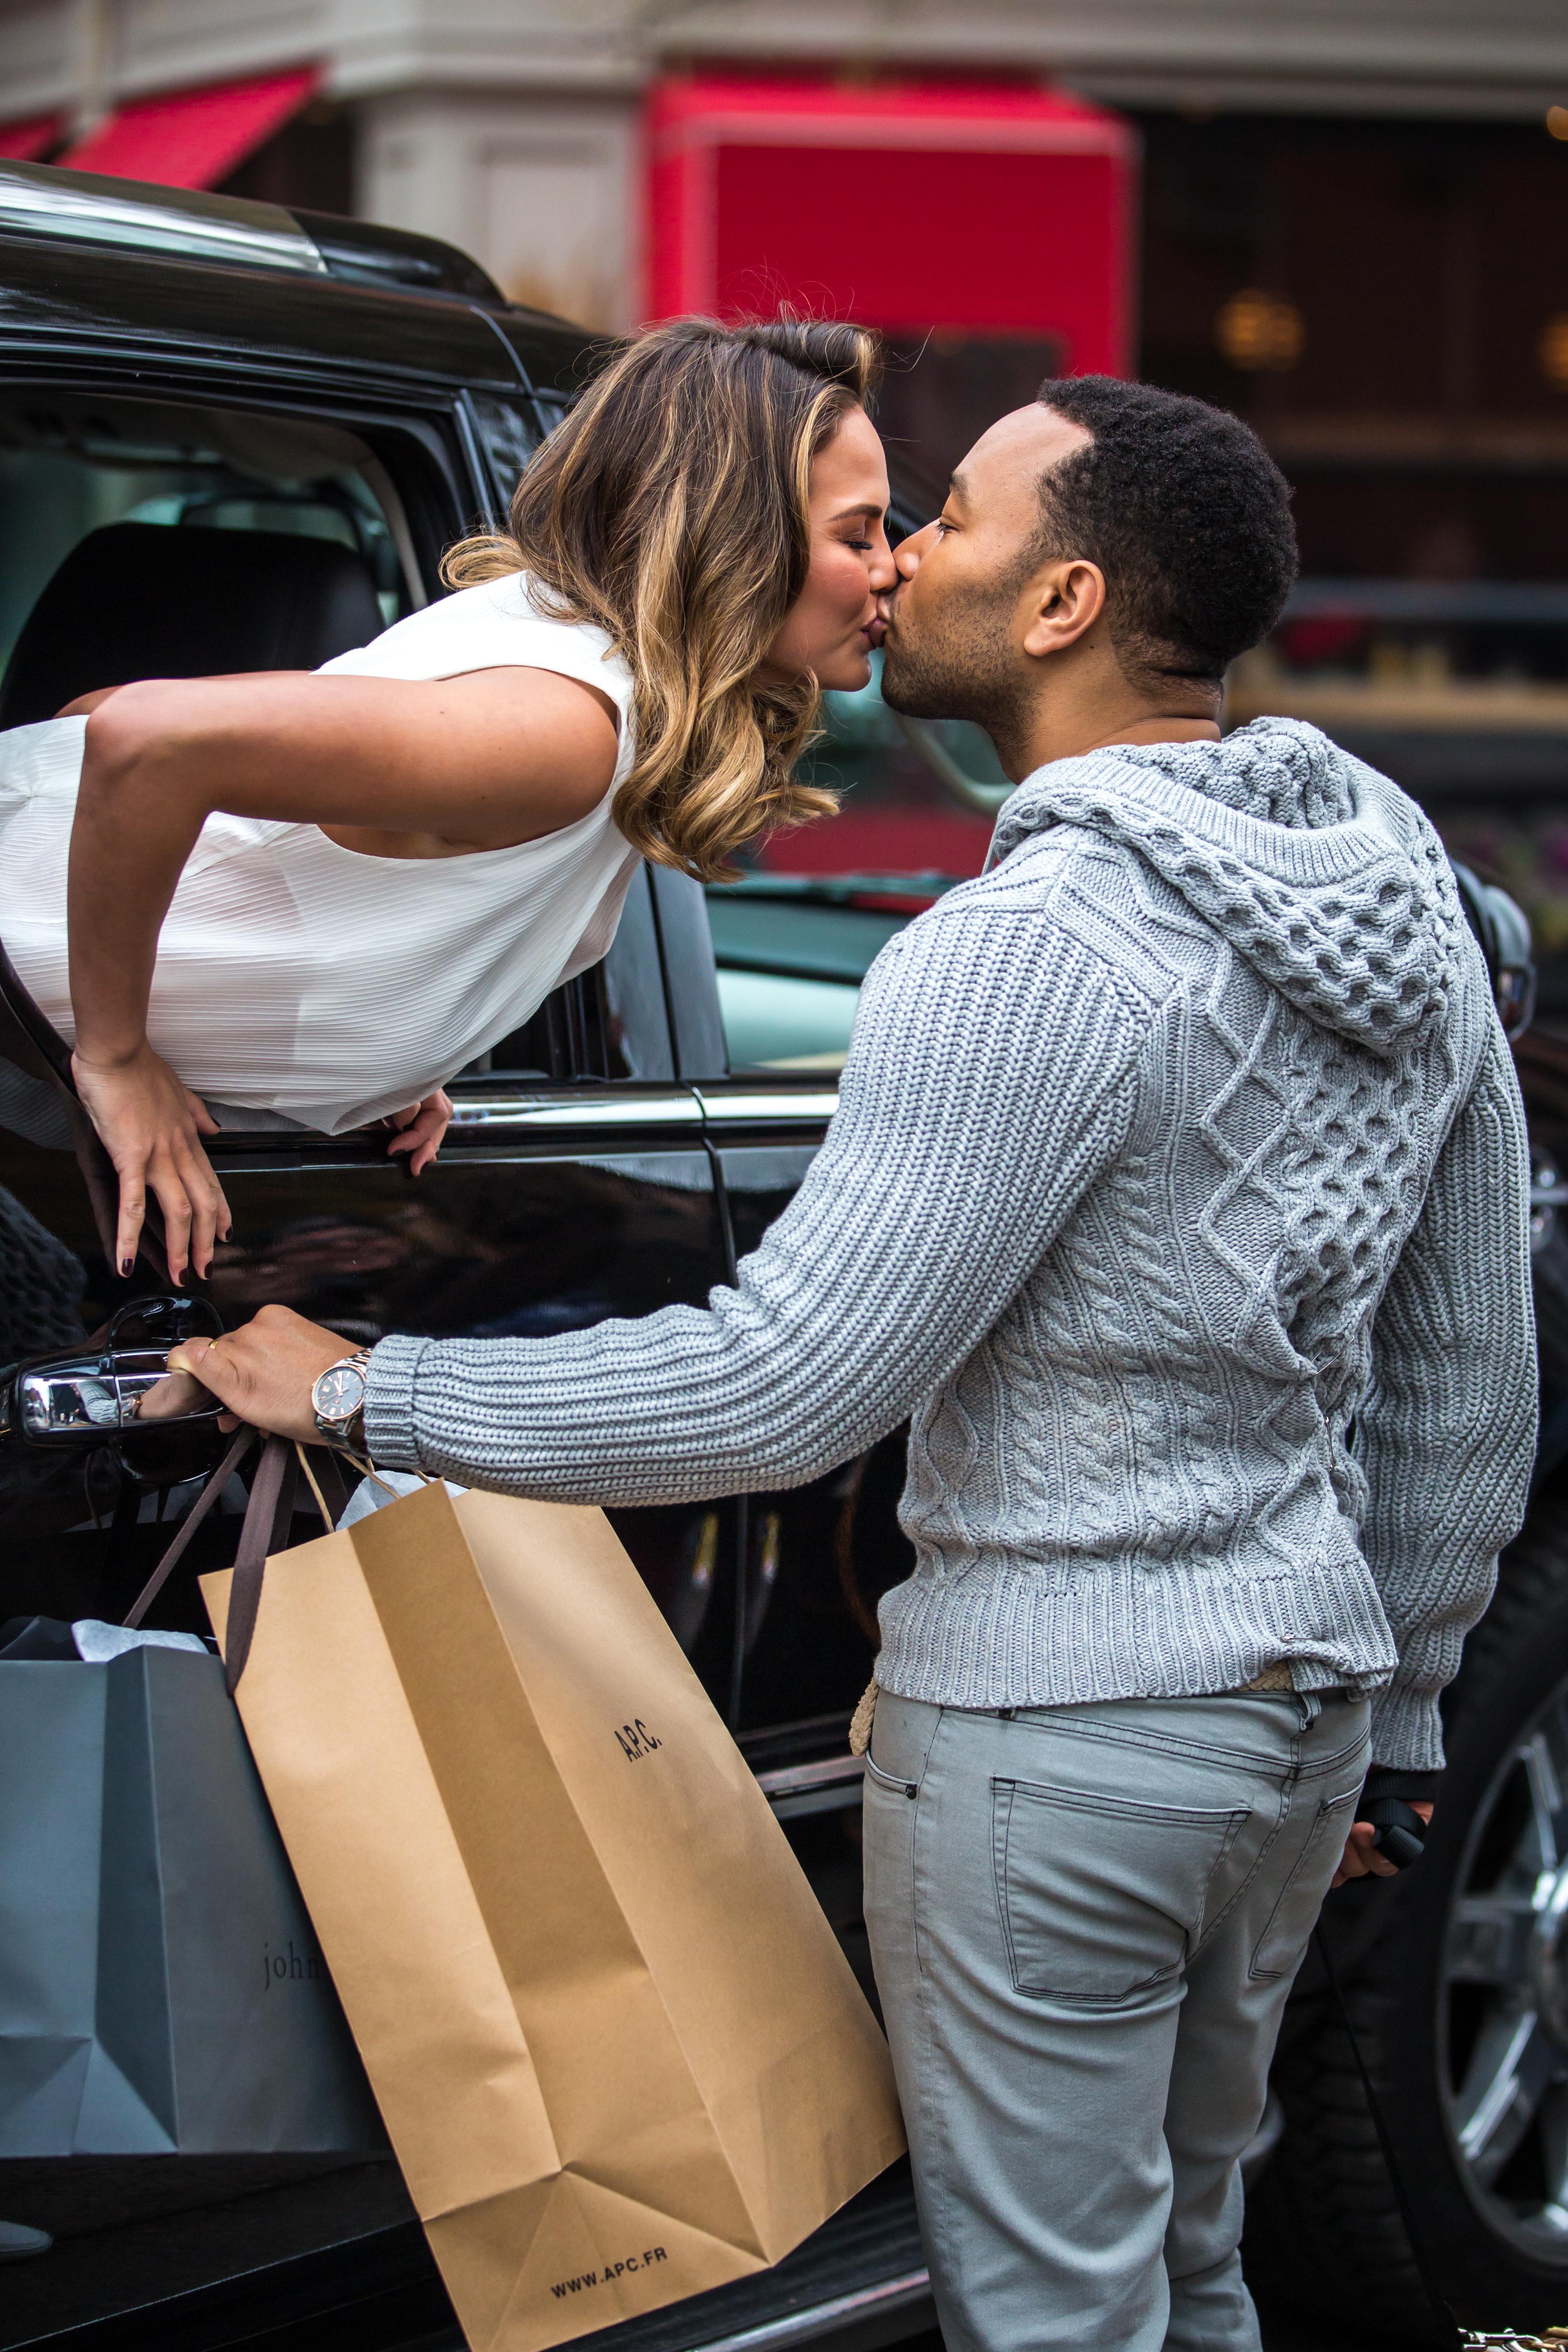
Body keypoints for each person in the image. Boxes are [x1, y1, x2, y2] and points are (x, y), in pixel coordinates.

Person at [168, 377, 1537, 2352]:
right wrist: (1395, 1705)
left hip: (1059, 1743)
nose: (898, 566)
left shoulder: (1029, 945)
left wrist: (371, 1394)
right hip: (1293, 1725)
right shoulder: (1399, 896)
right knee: (1191, 2267)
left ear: (1063, 602)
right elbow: (1468, 1370)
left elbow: (784, 1388)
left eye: (953, 520)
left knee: (1057, 2313)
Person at [0, 316, 892, 1286]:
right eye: (859, 532)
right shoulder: (570, 730)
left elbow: (88, 730)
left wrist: (384, 1062)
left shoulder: (564, 649)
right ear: (739, 540)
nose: (892, 564)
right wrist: (119, 1056)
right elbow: (144, 739)